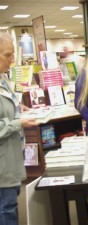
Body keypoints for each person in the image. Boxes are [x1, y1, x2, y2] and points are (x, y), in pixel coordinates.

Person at [0, 32, 39, 225]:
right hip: (2, 166)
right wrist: (19, 122)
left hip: (11, 160)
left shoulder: (2, 79)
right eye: (7, 55)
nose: (12, 60)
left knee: (10, 206)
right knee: (6, 210)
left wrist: (18, 108)